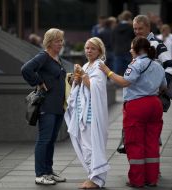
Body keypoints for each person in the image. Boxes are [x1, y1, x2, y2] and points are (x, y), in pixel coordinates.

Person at [100, 36, 167, 188]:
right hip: (155, 105)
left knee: (135, 142)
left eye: (131, 47)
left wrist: (108, 72)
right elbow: (164, 87)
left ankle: (137, 180)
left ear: (137, 49)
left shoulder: (136, 64)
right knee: (152, 143)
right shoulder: (157, 65)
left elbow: (124, 82)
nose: (130, 50)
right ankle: (152, 179)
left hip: (137, 105)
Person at [21, 28, 67, 185]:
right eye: (57, 41)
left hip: (57, 106)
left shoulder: (56, 57)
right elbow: (26, 69)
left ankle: (48, 171)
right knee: (44, 140)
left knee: (51, 140)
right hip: (46, 106)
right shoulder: (43, 56)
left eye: (61, 40)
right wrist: (39, 82)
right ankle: (40, 174)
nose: (60, 43)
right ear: (49, 42)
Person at [64, 37, 109, 189]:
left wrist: (83, 75)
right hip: (81, 112)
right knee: (85, 146)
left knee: (91, 147)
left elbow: (95, 88)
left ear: (99, 51)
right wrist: (76, 79)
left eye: (92, 48)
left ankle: (96, 179)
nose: (89, 51)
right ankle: (91, 176)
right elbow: (81, 85)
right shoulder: (87, 65)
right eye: (87, 48)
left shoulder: (99, 66)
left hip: (91, 114)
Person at [133, 14, 172, 111]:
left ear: (148, 27)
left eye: (140, 29)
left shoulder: (157, 44)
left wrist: (162, 84)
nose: (137, 31)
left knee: (152, 123)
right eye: (135, 29)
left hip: (153, 95)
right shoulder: (136, 43)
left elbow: (171, 66)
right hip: (139, 93)